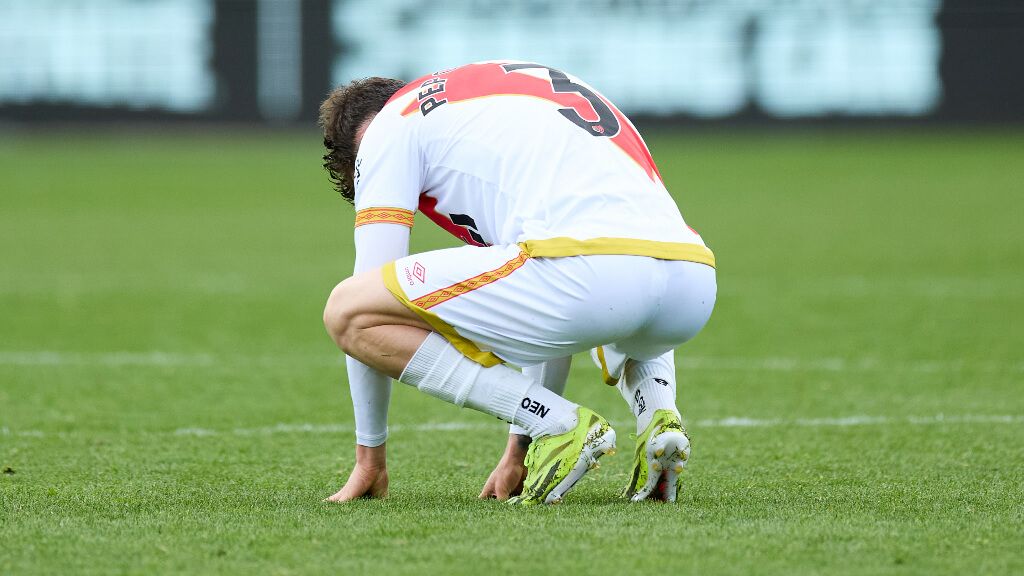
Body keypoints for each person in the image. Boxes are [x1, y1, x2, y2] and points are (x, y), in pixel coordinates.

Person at [319, 60, 716, 505]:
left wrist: (369, 456)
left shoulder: (390, 125)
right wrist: (517, 450)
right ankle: (658, 416)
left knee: (348, 311)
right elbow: (545, 304)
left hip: (591, 279)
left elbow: (371, 281)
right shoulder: (500, 98)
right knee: (601, 262)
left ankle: (562, 426)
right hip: (692, 283)